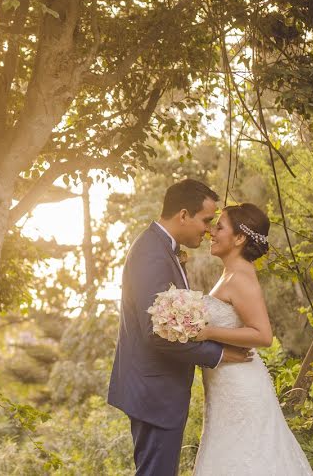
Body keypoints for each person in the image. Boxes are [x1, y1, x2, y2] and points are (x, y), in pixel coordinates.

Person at [107, 179, 252, 476]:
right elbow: (157, 332)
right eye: (206, 220)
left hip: (159, 390)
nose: (209, 229)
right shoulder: (151, 253)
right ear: (183, 215)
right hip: (154, 393)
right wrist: (218, 354)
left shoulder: (161, 248)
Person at [191, 203, 313, 475]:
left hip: (240, 387)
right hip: (226, 384)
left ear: (240, 238)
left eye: (219, 226)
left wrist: (208, 332)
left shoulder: (241, 277)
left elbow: (262, 334)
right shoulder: (230, 274)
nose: (212, 231)